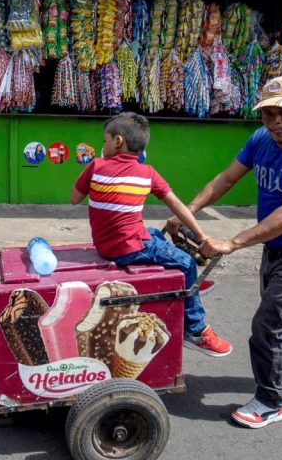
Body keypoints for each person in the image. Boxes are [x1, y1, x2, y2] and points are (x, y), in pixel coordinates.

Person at [166, 76, 282, 428]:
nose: (275, 122)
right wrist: (188, 213)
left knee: (268, 324)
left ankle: (270, 401)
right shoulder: (262, 139)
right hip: (276, 247)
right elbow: (225, 179)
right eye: (267, 114)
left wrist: (233, 242)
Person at [71, 112, 232, 357]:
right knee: (188, 263)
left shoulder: (96, 166)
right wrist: (202, 237)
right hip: (127, 249)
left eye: (104, 141)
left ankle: (187, 286)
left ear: (117, 141)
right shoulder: (147, 173)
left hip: (109, 244)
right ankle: (196, 330)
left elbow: (74, 199)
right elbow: (177, 205)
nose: (103, 147)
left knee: (156, 233)